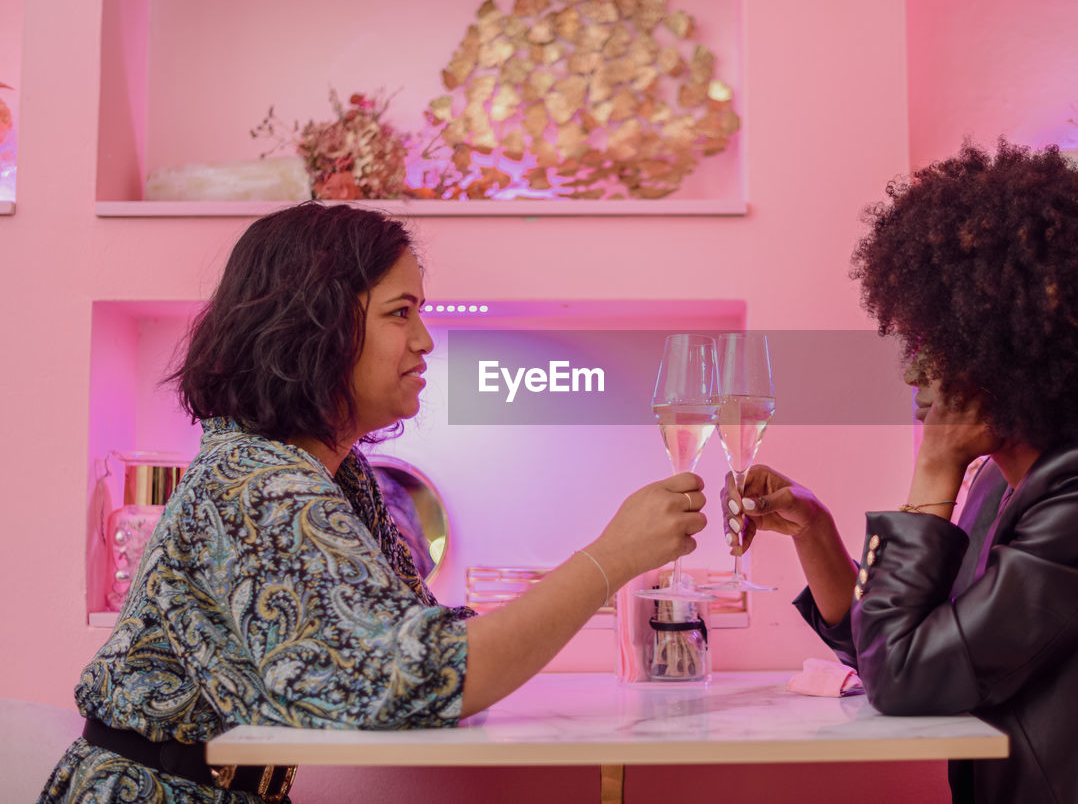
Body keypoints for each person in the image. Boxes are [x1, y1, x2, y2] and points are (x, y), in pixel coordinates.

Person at [41, 203, 706, 803]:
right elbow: (418, 678)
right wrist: (612, 558)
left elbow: (422, 640)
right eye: (400, 311)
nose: (425, 341)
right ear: (317, 325)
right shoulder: (261, 485)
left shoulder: (336, 475)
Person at [725, 142, 1078, 803]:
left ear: (1017, 353)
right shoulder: (1003, 480)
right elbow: (896, 652)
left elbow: (908, 677)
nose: (913, 373)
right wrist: (814, 533)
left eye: (941, 348)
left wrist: (933, 468)